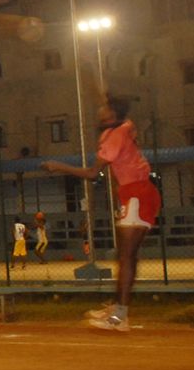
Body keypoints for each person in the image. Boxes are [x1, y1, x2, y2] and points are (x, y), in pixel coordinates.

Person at [43, 96, 158, 332]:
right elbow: (120, 123)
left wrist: (59, 166)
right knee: (126, 256)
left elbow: (93, 173)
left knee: (126, 257)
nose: (98, 111)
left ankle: (119, 317)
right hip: (135, 192)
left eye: (103, 109)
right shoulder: (123, 126)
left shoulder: (115, 135)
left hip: (136, 194)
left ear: (112, 115)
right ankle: (118, 308)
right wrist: (112, 103)